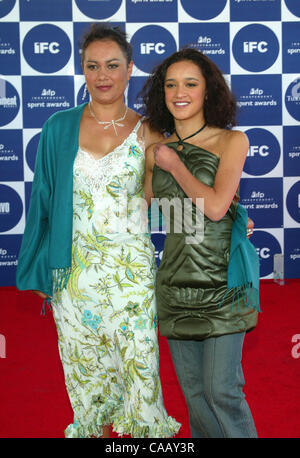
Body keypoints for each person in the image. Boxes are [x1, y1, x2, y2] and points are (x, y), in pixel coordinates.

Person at [16, 24, 180, 439]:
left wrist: (230, 213)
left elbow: (177, 196)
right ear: (83, 71)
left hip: (132, 275)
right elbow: (43, 202)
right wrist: (38, 265)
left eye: (112, 65)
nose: (102, 75)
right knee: (85, 371)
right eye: (92, 66)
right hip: (73, 273)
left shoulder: (151, 131)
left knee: (139, 366)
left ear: (129, 70)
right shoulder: (58, 126)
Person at [141, 48, 260, 438]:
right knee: (193, 394)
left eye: (191, 83)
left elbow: (213, 207)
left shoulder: (232, 141)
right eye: (171, 84)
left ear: (208, 91)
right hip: (175, 283)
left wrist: (176, 165)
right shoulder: (154, 149)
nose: (180, 92)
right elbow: (148, 212)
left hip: (223, 284)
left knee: (220, 390)